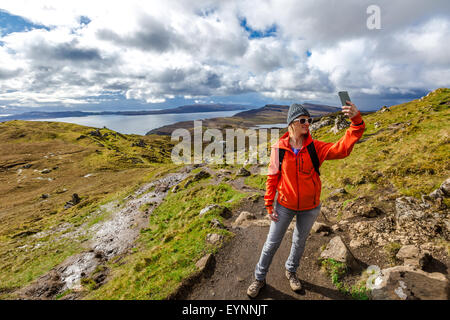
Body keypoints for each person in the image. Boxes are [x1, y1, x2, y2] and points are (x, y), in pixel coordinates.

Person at [247, 101, 365, 298]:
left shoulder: (315, 148)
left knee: (299, 242)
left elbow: (342, 149)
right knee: (271, 243)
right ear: (292, 123)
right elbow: (272, 177)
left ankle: (291, 272)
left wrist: (356, 121)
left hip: (310, 207)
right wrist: (269, 203)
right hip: (284, 205)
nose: (307, 123)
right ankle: (259, 278)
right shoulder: (279, 149)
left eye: (309, 120)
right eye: (303, 120)